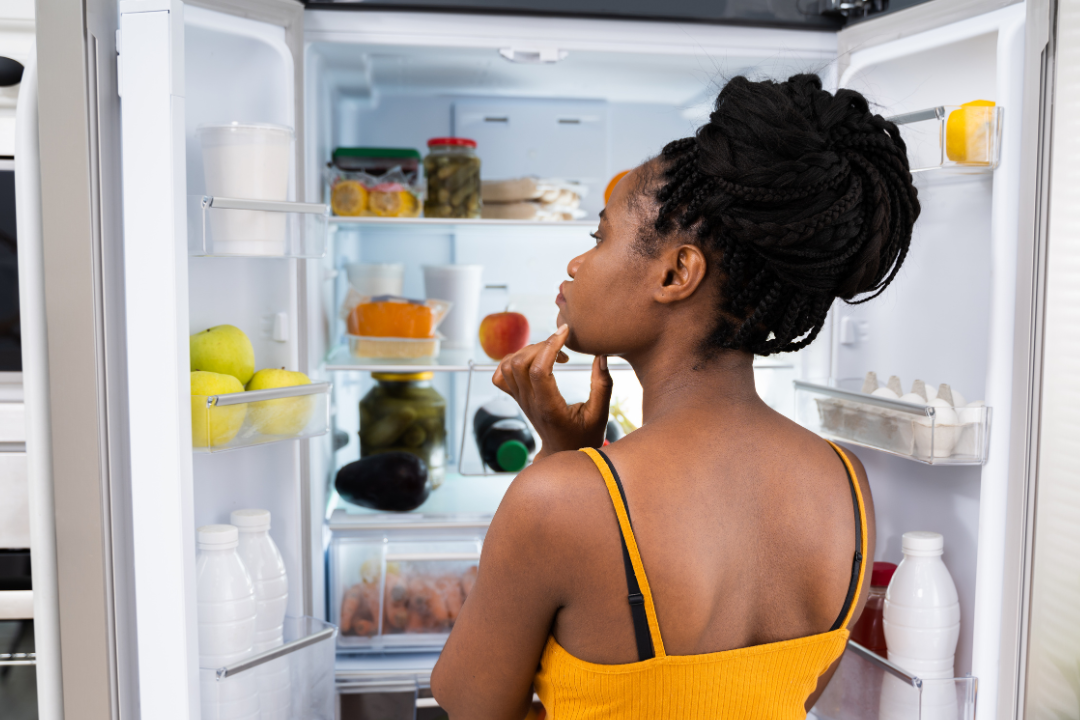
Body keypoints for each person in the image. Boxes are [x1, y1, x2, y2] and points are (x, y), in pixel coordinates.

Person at [431, 73, 920, 719]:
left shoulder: (562, 502)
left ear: (675, 273)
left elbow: (470, 704)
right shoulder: (846, 484)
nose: (577, 266)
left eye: (598, 237)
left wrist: (560, 462)